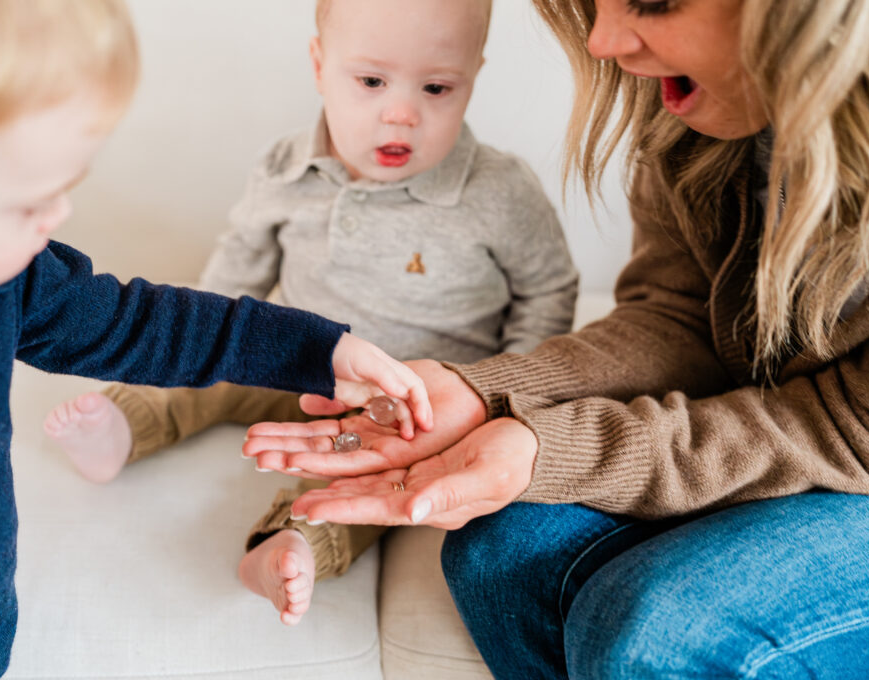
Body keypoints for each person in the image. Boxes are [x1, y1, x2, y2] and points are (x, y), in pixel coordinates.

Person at [245, 0, 869, 679]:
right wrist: (481, 393)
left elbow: (856, 427)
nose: (602, 42)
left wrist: (554, 445)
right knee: (496, 552)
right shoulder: (694, 108)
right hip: (827, 430)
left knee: (662, 636)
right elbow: (678, 317)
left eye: (654, 4)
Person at [0, 2, 436, 679]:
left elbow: (143, 323)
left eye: (65, 188)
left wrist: (318, 353)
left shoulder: (9, 275)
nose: (58, 216)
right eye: (25, 202)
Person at [44, 0, 578, 627]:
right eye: (371, 82)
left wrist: (502, 391)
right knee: (215, 374)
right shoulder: (287, 168)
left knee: (359, 484)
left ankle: (289, 543)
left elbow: (548, 291)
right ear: (321, 66)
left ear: (473, 75)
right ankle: (126, 424)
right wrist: (206, 337)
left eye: (437, 87)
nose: (402, 112)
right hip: (292, 358)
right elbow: (236, 270)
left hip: (409, 409)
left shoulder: (500, 192)